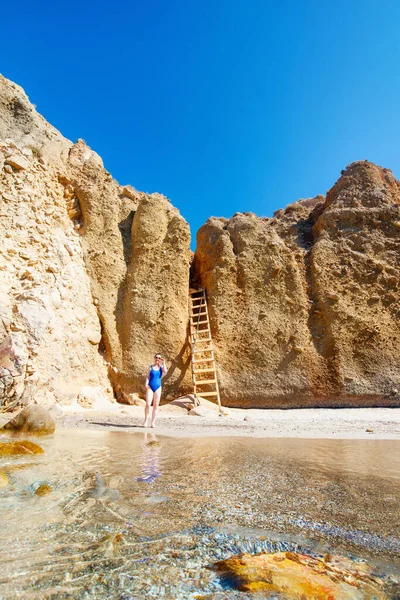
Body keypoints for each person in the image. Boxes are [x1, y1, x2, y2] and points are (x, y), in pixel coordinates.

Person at [142, 353, 167, 428]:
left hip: (158, 387)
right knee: (148, 404)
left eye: (159, 358)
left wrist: (164, 362)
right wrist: (146, 384)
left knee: (156, 406)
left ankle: (153, 422)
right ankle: (145, 420)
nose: (157, 359)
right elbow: (147, 376)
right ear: (154, 358)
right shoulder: (150, 367)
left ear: (160, 359)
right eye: (156, 357)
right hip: (150, 386)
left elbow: (165, 371)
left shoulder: (161, 367)